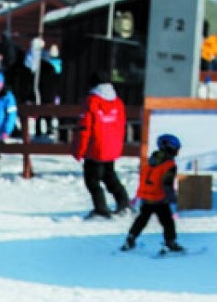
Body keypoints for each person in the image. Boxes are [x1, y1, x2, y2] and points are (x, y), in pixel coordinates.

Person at [73, 69, 130, 218]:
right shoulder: (117, 102)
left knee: (92, 180)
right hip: (111, 148)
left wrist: (79, 150)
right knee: (110, 176)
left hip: (95, 149)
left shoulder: (91, 102)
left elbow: (84, 129)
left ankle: (101, 209)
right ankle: (124, 203)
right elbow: (121, 125)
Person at [121, 133, 184, 253]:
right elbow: (167, 184)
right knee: (167, 222)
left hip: (146, 197)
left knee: (142, 219)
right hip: (159, 198)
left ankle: (131, 238)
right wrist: (173, 199)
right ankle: (170, 243)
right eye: (176, 149)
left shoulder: (151, 161)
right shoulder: (169, 165)